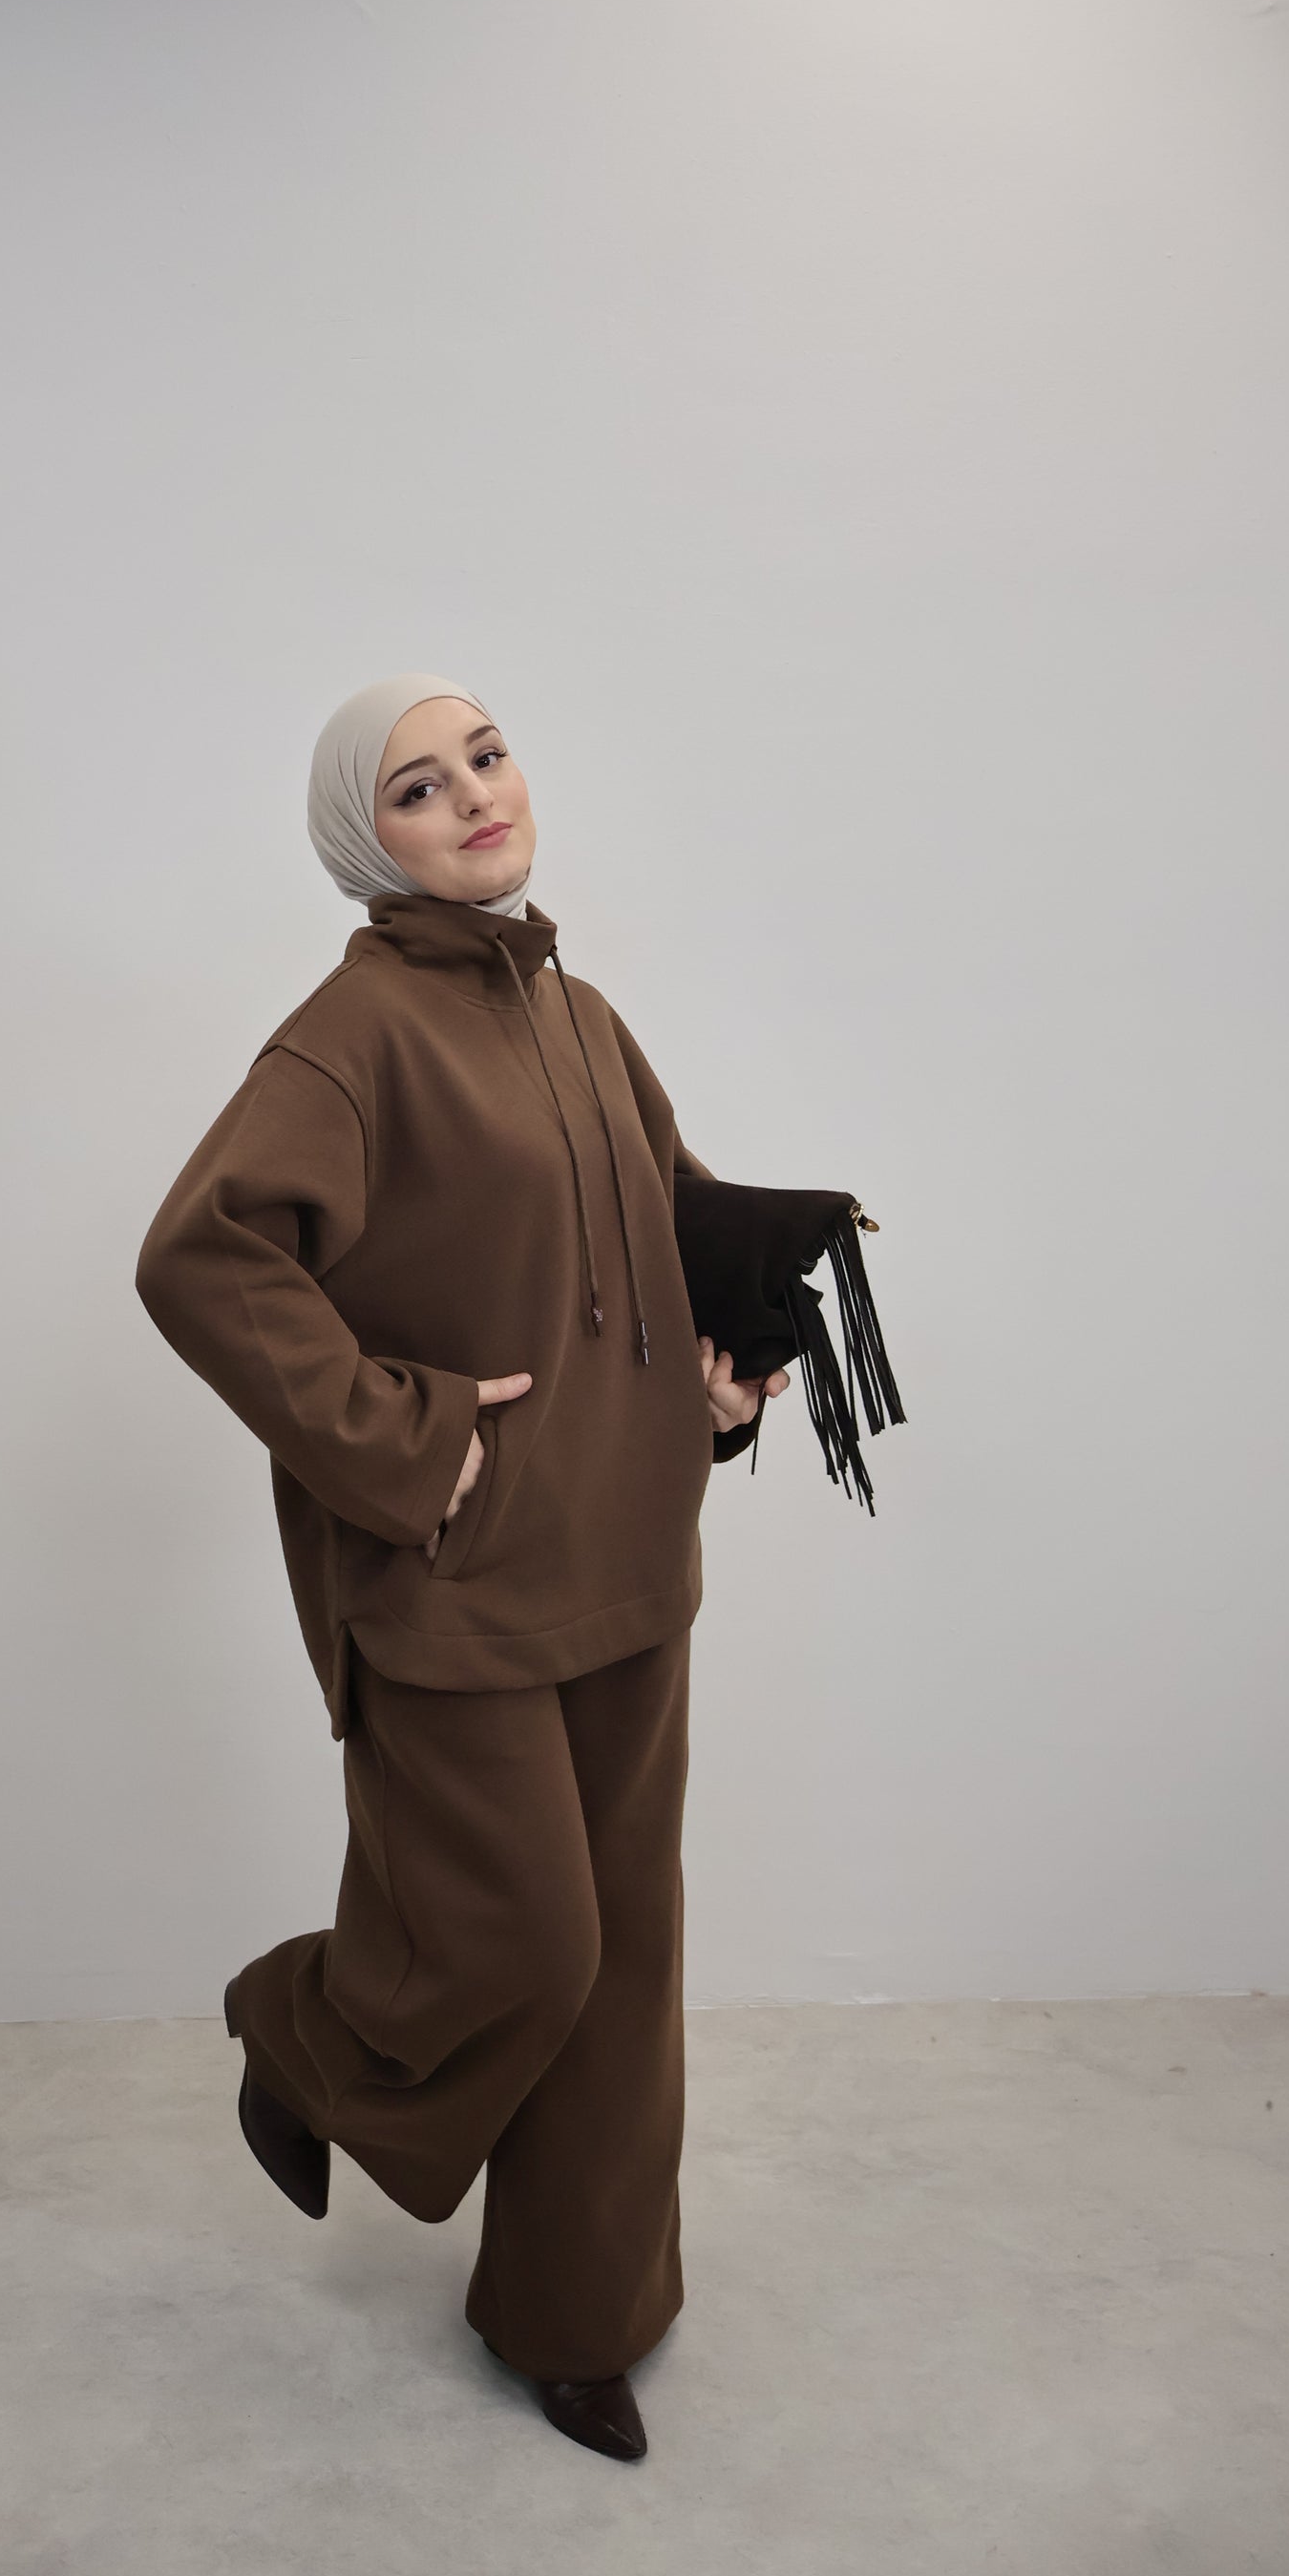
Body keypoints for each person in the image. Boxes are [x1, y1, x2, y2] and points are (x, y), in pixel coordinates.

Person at [134, 671, 787, 2462]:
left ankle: (577, 2314)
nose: (474, 797)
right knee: (521, 1943)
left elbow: (652, 1231)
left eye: (485, 757)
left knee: (623, 1957)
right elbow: (201, 1261)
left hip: (627, 1547)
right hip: (448, 1571)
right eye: (418, 787)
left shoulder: (581, 1014)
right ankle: (305, 2031)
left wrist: (717, 1382)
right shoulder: (344, 1041)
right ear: (366, 840)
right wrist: (403, 1433)